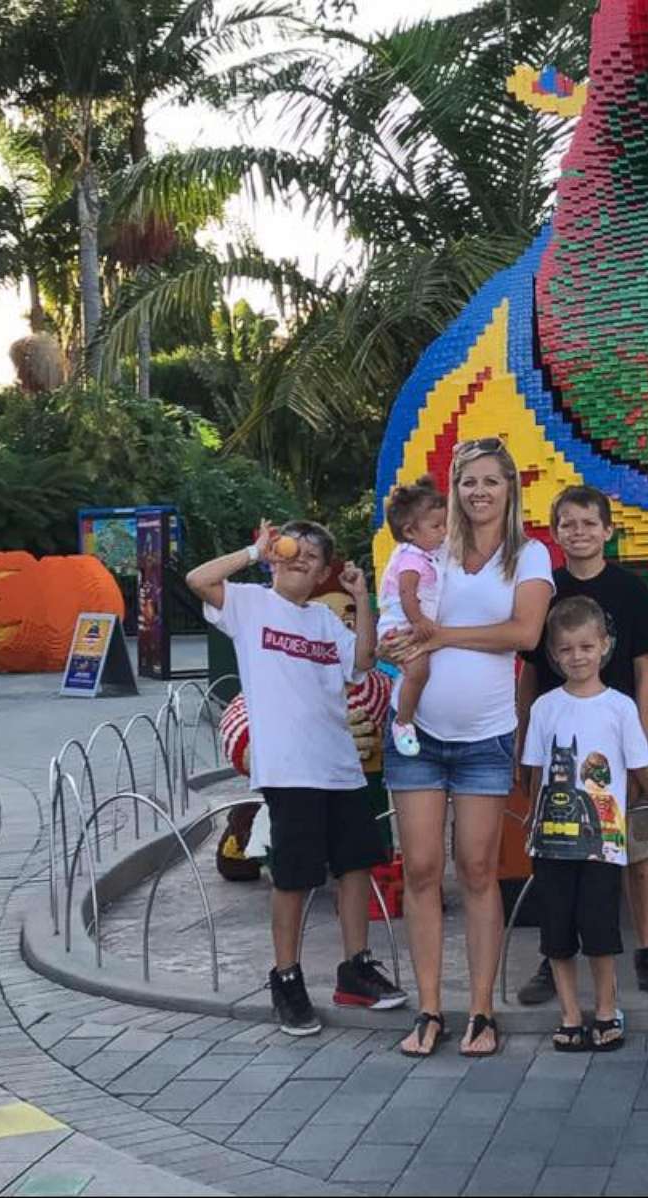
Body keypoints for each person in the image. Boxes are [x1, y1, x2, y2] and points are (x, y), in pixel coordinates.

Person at [187, 518, 406, 1036]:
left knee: (355, 868)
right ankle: (286, 976)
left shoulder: (326, 622)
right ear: (276, 557)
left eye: (313, 556)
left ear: (324, 573)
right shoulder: (249, 604)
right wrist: (251, 548)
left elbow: (363, 662)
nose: (300, 558)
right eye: (293, 549)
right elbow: (198, 579)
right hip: (290, 769)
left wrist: (363, 598)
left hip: (340, 765)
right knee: (294, 878)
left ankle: (356, 968)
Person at [381, 439, 553, 1057]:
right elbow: (396, 616)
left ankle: (481, 1010)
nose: (478, 492)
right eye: (467, 482)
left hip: (485, 736)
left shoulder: (528, 556)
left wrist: (440, 635)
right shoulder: (433, 551)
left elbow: (524, 632)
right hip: (418, 736)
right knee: (422, 871)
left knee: (479, 872)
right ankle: (430, 1008)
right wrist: (396, 643)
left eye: (490, 481)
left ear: (510, 488)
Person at [516, 484, 648, 1004]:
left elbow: (645, 670)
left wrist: (641, 741)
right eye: (567, 523)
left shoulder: (630, 589)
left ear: (608, 530)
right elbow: (530, 672)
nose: (579, 532)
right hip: (560, 744)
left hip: (618, 741)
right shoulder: (545, 590)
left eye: (589, 523)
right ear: (555, 532)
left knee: (637, 851)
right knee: (559, 851)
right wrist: (525, 737)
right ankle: (556, 955)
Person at [522, 596, 648, 1051]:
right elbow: (537, 767)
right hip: (551, 843)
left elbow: (641, 765)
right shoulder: (545, 708)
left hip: (602, 843)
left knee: (599, 928)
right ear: (554, 654)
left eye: (586, 647)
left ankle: (607, 1008)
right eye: (567, 649)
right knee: (556, 929)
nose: (577, 657)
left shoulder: (620, 707)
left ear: (605, 647)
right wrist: (533, 812)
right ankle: (570, 1013)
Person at [377, 476, 447, 756]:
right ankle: (403, 722)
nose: (443, 532)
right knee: (418, 672)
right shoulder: (410, 558)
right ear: (409, 531)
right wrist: (418, 621)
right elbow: (407, 593)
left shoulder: (424, 553)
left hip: (409, 623)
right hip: (401, 625)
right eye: (436, 526)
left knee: (417, 671)